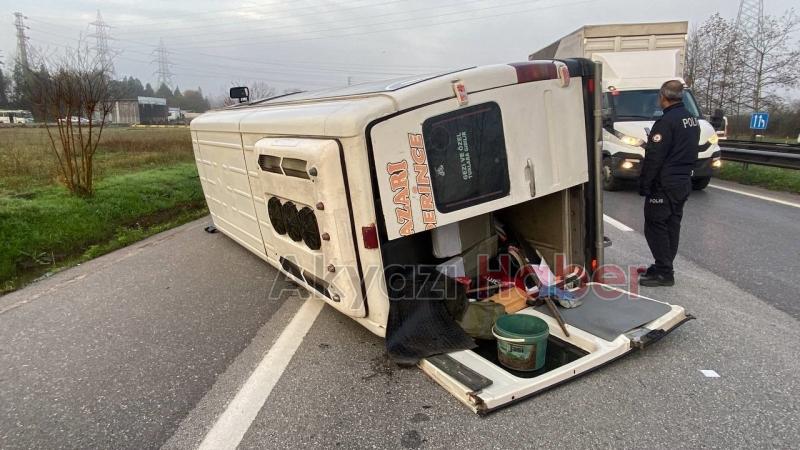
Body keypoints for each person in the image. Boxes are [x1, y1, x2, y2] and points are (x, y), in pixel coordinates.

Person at [638, 80, 699, 287]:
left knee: (655, 226)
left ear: (663, 96)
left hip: (664, 183)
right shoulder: (691, 119)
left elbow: (655, 156)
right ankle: (664, 265)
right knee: (672, 225)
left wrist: (645, 184)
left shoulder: (665, 122)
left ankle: (665, 272)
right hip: (682, 181)